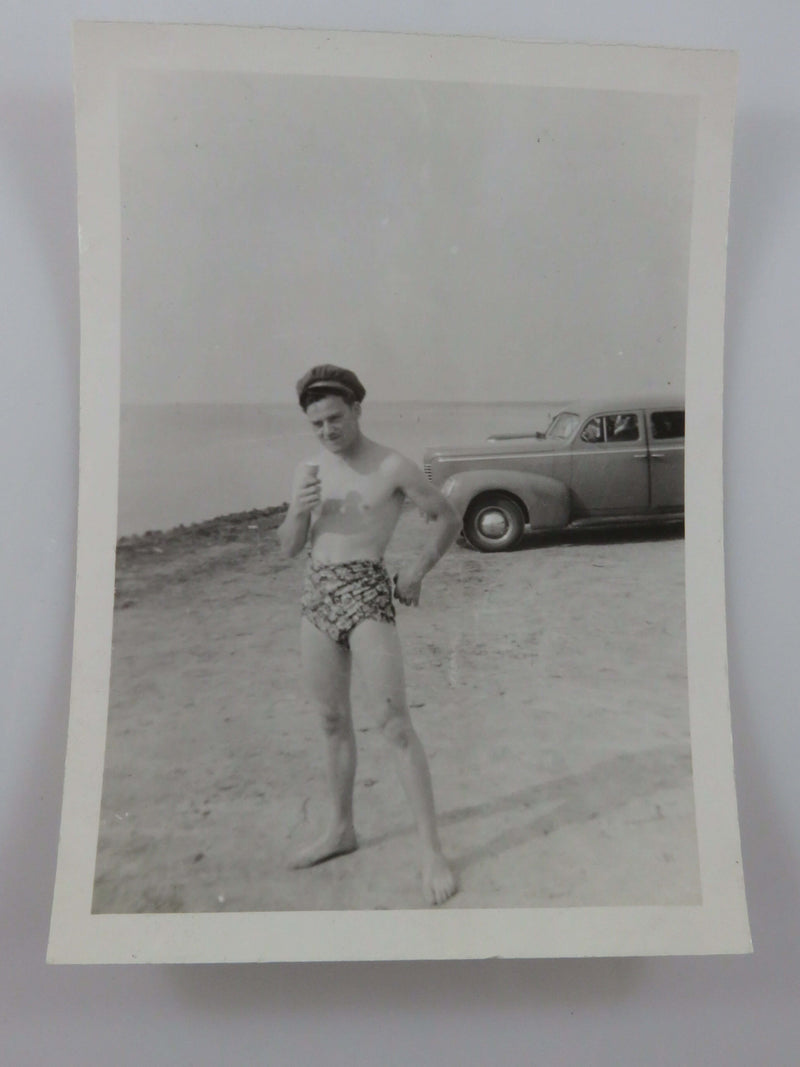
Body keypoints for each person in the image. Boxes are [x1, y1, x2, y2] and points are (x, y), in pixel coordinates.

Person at [278, 364, 461, 905]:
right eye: (317, 424)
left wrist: (416, 570)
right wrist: (298, 510)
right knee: (331, 720)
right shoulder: (308, 469)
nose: (328, 432)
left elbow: (447, 517)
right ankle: (340, 829)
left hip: (365, 590)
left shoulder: (391, 466)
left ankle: (431, 851)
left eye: (336, 418)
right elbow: (287, 547)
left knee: (393, 723)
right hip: (316, 593)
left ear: (357, 409)